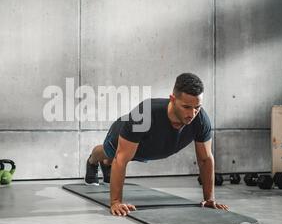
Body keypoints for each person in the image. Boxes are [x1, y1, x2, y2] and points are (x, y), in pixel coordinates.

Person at [84, 72, 229, 216]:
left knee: (114, 160)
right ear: (172, 99)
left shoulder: (201, 120)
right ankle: (92, 161)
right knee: (109, 154)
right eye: (186, 107)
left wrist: (209, 199)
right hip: (123, 138)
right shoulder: (145, 113)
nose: (192, 113)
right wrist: (116, 202)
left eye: (197, 107)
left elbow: (205, 159)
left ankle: (107, 163)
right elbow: (121, 159)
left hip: (151, 146)